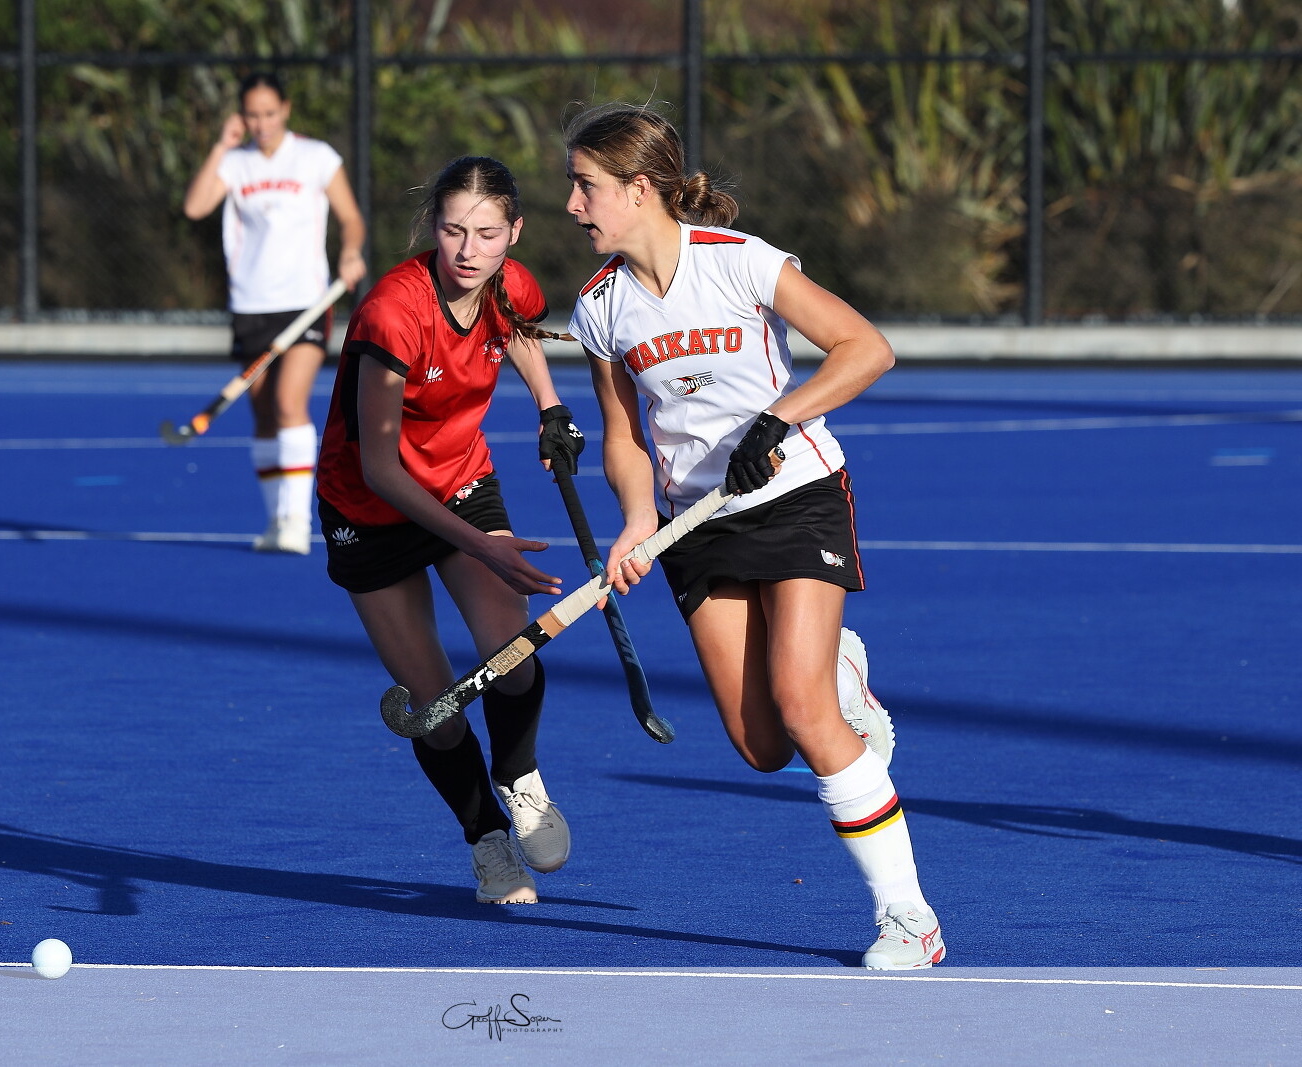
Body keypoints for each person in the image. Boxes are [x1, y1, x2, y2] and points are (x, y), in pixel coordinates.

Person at [563, 103, 943, 969]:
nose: (574, 206)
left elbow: (865, 348)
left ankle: (909, 919)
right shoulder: (600, 306)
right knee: (763, 746)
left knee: (804, 709)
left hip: (796, 492)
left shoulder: (740, 261)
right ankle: (840, 667)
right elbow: (623, 437)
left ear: (639, 188)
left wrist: (778, 418)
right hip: (697, 523)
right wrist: (636, 520)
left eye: (586, 186)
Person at [315, 156, 585, 904]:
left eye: (488, 234)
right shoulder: (393, 312)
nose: (469, 250)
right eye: (454, 230)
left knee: (512, 652)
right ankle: (486, 838)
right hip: (370, 510)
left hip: (461, 482)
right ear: (433, 226)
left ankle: (518, 774)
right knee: (435, 707)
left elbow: (519, 329)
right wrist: (482, 546)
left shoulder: (512, 283)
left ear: (514, 232)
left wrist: (549, 404)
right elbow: (380, 468)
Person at [183, 72, 368, 554]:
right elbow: (196, 207)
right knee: (265, 415)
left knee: (289, 403)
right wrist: (221, 146)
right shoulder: (235, 163)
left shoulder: (316, 157)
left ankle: (296, 521)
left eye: (269, 113)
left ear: (285, 109)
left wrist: (350, 252)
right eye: (252, 115)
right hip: (251, 304)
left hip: (306, 302)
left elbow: (350, 217)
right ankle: (274, 520)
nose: (261, 123)